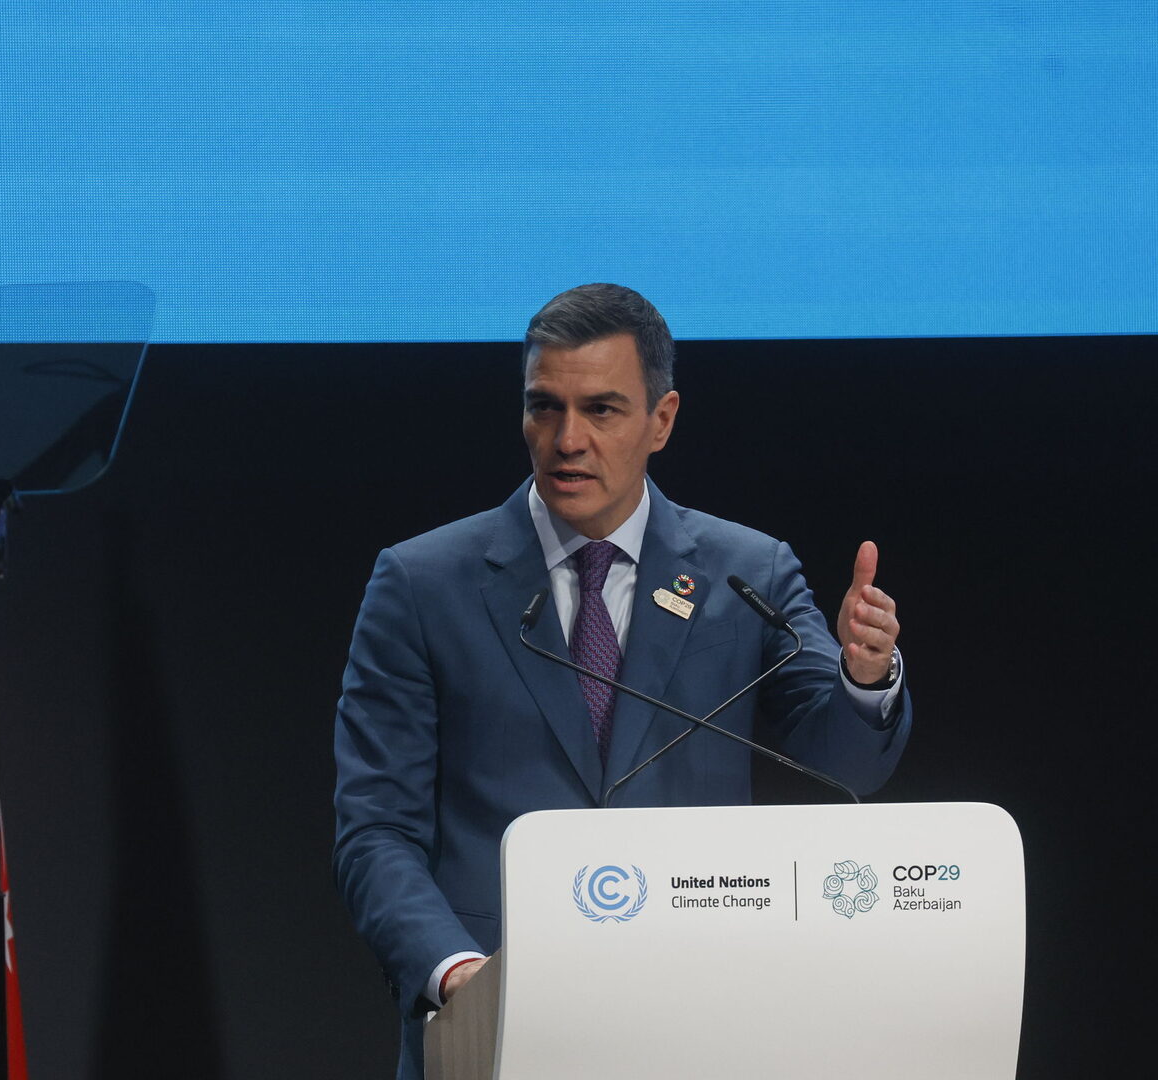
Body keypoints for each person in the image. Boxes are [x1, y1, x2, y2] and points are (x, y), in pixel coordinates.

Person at [331, 283, 910, 1080]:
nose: (567, 440)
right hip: (492, 1023)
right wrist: (455, 972)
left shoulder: (747, 573)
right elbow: (375, 829)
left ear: (660, 420)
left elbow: (844, 765)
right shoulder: (422, 584)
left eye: (600, 410)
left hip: (696, 1019)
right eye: (544, 408)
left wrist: (863, 676)